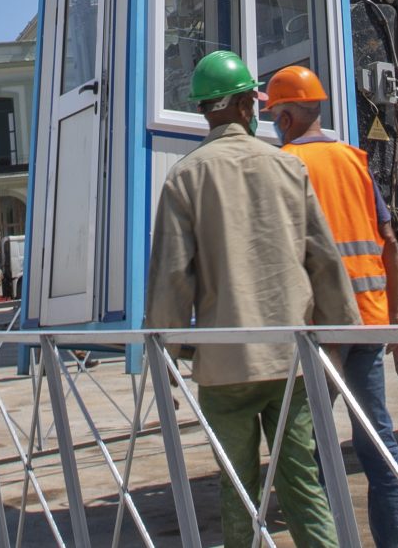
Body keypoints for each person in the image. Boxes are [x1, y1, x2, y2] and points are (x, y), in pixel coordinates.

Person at [146, 48, 358, 548]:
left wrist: (168, 354)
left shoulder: (185, 177)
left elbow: (173, 279)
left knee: (238, 490)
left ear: (204, 110)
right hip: (292, 360)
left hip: (226, 367)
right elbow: (324, 261)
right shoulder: (287, 169)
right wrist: (338, 339)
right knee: (303, 485)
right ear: (248, 106)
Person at [264, 62, 398, 548]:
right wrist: (393, 313)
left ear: (286, 117)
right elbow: (389, 242)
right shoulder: (355, 159)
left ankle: (329, 539)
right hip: (368, 321)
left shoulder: (285, 165)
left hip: (319, 329)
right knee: (378, 440)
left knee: (311, 445)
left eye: (273, 115)